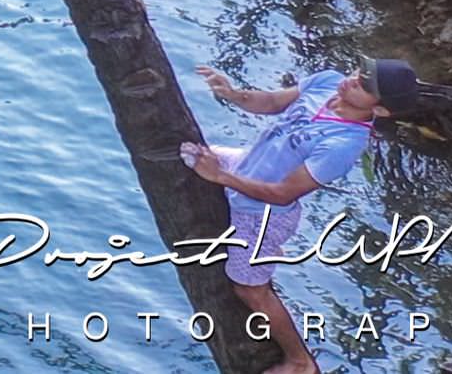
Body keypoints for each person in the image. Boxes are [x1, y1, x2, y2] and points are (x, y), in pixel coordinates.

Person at [181, 58, 422, 374]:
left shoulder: (343, 144)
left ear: (380, 110)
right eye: (359, 71)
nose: (353, 79)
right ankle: (264, 255)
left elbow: (284, 193)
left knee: (249, 289)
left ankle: (300, 361)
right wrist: (233, 94)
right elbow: (272, 102)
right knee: (184, 152)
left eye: (365, 85)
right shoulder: (328, 81)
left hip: (261, 215)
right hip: (244, 165)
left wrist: (220, 178)